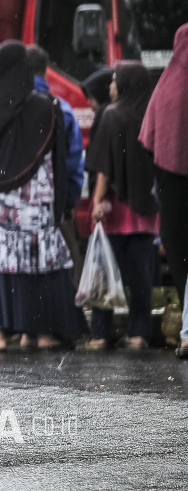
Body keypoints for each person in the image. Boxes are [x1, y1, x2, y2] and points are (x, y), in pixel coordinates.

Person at [0, 40, 86, 352]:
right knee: (39, 266)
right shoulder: (49, 106)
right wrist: (62, 204)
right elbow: (61, 161)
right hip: (36, 205)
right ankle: (42, 332)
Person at [85, 61, 158, 350]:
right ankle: (139, 333)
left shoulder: (112, 115)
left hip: (114, 210)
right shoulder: (152, 114)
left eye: (115, 81)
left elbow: (104, 166)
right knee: (141, 274)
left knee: (104, 269)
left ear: (125, 84)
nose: (111, 87)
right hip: (145, 209)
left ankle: (100, 334)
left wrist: (96, 200)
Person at [140, 24, 188, 355]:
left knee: (183, 258)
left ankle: (187, 332)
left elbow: (149, 139)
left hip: (173, 189)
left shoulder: (167, 86)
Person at [26, 46, 85, 284]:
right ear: (47, 73)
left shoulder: (3, 107)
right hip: (53, 208)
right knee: (64, 274)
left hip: (15, 216)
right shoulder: (62, 110)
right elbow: (73, 162)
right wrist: (68, 202)